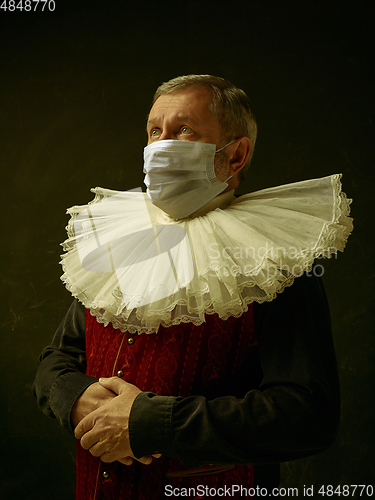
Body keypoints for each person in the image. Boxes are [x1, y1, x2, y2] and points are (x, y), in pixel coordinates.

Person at [33, 75, 353, 499]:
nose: (161, 144)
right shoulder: (115, 244)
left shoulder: (275, 262)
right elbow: (57, 358)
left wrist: (149, 422)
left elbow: (307, 415)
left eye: (183, 130)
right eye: (154, 131)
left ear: (236, 156)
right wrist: (76, 397)